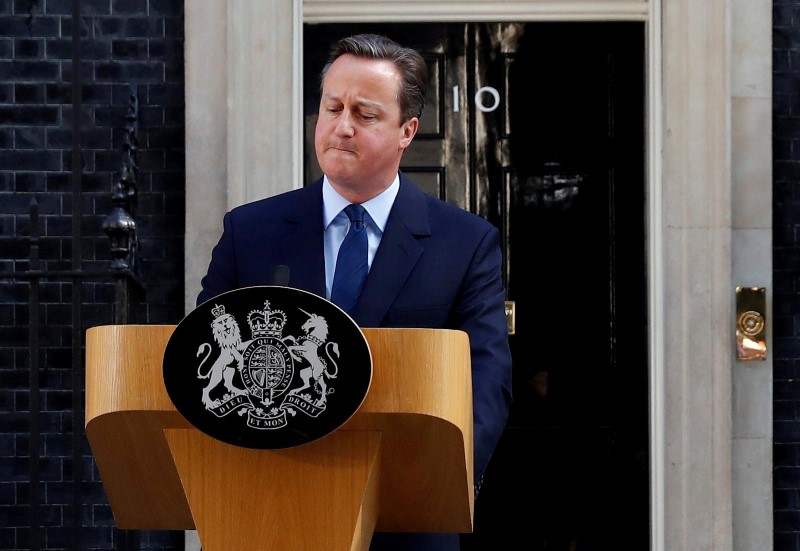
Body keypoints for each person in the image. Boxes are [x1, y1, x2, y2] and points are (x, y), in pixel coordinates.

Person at [197, 33, 513, 551]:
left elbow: (486, 383)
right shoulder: (249, 232)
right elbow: (204, 361)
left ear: (407, 130)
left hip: (405, 524)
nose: (341, 128)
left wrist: (433, 488)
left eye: (364, 115)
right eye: (332, 108)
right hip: (267, 512)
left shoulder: (465, 243)